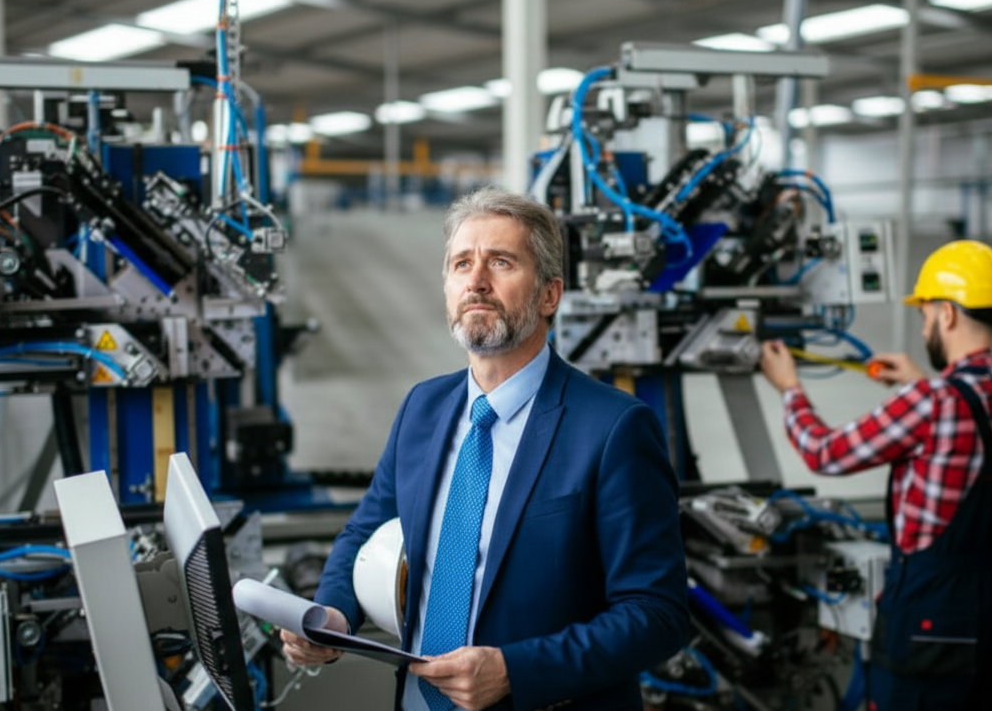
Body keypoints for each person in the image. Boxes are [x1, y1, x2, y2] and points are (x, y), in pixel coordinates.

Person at [282, 187, 688, 711]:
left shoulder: (614, 428)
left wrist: (515, 671)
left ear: (549, 295)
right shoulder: (421, 409)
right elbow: (366, 529)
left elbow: (656, 613)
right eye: (461, 264)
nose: (476, 281)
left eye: (500, 262)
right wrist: (332, 617)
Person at [760, 239, 992, 711]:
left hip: (930, 625)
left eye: (925, 316)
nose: (924, 331)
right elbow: (972, 451)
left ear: (948, 314)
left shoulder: (932, 404)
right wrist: (922, 383)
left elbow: (824, 452)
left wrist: (789, 388)